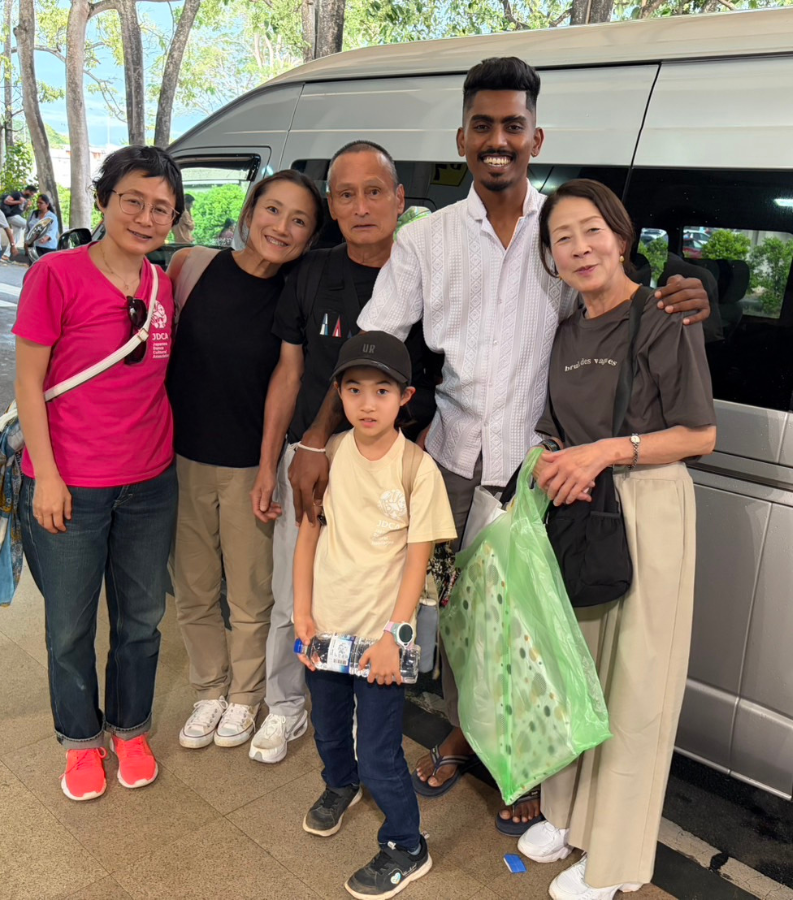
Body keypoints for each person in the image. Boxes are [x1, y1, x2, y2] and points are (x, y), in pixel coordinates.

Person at [291, 56, 712, 831]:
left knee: (527, 625)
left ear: (534, 138)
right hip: (452, 460)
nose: (497, 140)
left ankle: (525, 761)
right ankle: (466, 733)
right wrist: (318, 440)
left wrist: (688, 290)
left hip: (541, 468)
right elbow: (373, 345)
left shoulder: (564, 232)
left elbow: (624, 294)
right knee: (458, 620)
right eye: (482, 125)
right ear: (462, 138)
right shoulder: (426, 241)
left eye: (513, 126)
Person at [516, 179, 716, 898]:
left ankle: (615, 858)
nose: (580, 248)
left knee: (634, 689)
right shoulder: (568, 328)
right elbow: (555, 427)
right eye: (562, 238)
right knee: (576, 673)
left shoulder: (664, 316)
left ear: (622, 237)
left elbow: (700, 434)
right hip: (580, 508)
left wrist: (604, 452)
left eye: (592, 231)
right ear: (551, 257)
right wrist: (552, 461)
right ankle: (568, 816)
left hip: (648, 507)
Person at [247, 140, 438, 765]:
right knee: (293, 589)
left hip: (389, 464)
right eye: (346, 195)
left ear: (400, 199)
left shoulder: (424, 272)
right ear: (331, 205)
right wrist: (274, 461)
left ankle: (367, 715)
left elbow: (442, 382)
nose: (361, 207)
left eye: (374, 192)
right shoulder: (311, 273)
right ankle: (285, 706)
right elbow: (289, 372)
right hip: (312, 454)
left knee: (378, 594)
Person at [12, 146, 181, 802]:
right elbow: (29, 384)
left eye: (161, 208)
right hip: (70, 485)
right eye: (133, 200)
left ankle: (129, 730)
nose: (146, 217)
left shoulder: (163, 284)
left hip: (150, 483)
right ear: (104, 200)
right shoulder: (55, 274)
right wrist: (48, 477)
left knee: (141, 619)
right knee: (69, 626)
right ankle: (80, 741)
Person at [293, 332, 456, 900]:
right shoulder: (331, 454)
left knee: (380, 752)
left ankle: (407, 845)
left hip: (381, 641)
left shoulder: (416, 469)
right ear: (338, 393)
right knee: (328, 726)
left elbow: (417, 562)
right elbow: (309, 536)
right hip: (325, 629)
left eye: (382, 391)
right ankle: (340, 785)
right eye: (355, 389)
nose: (367, 403)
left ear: (404, 397)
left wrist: (393, 637)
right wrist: (302, 612)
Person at [166, 170, 323, 752]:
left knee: (252, 594)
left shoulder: (297, 296)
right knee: (194, 588)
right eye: (273, 210)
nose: (281, 227)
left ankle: (245, 696)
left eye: (299, 220)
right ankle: (209, 689)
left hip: (250, 468)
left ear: (311, 236)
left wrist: (266, 469)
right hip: (180, 459)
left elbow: (292, 379)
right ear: (250, 210)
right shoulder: (191, 267)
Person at [24, 194, 60, 261]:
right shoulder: (33, 214)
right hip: (34, 246)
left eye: (41, 203)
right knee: (34, 264)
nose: (38, 204)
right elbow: (27, 229)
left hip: (48, 247)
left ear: (47, 204)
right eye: (37, 202)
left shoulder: (52, 216)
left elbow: (53, 230)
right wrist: (26, 242)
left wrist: (45, 238)